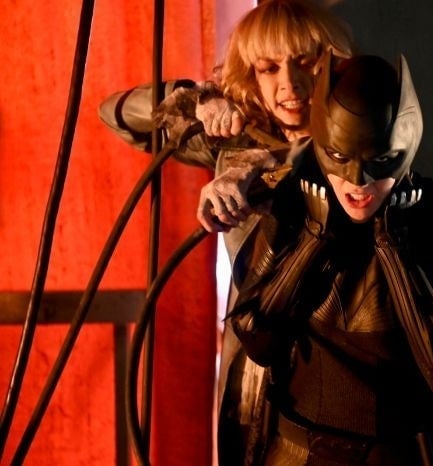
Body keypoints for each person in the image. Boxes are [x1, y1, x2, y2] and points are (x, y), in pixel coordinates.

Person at [221, 51, 433, 466]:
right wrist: (312, 238)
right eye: (340, 157)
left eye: (379, 161)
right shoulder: (293, 203)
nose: (358, 182)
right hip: (296, 454)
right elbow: (256, 339)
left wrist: (394, 246)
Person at [97, 0, 354, 463]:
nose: (289, 84)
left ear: (331, 63)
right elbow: (114, 113)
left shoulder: (358, 135)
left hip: (337, 366)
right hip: (253, 368)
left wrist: (254, 168)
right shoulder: (238, 140)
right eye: (268, 68)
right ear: (251, 75)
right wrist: (197, 99)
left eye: (304, 63)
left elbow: (317, 162)